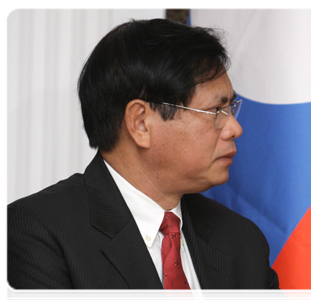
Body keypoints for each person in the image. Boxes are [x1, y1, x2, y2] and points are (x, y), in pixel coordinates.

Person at [6, 18, 289, 299]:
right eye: (216, 111)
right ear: (141, 123)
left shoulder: (239, 240)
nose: (235, 128)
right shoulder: (39, 233)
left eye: (231, 108)